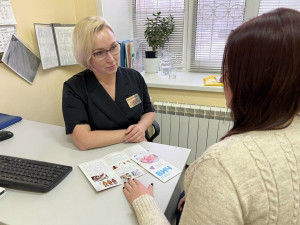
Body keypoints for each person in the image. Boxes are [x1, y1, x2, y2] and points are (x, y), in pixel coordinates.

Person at [123, 8, 300, 225]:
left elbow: (149, 111)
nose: (222, 78)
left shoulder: (221, 165)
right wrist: (207, 201)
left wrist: (144, 203)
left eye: (228, 70)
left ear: (248, 81)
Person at [62, 16, 155, 150]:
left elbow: (149, 111)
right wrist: (129, 134)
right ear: (85, 56)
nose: (111, 59)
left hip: (138, 148)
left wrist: (141, 127)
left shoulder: (134, 76)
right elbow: (83, 141)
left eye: (113, 47)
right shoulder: (74, 88)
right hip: (99, 153)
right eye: (99, 53)